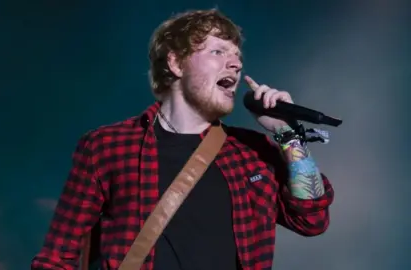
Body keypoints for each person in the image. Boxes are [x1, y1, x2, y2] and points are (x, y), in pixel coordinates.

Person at [31, 8, 334, 270]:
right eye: (218, 52)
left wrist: (288, 134)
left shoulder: (252, 152)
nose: (236, 64)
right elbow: (57, 257)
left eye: (237, 57)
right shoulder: (106, 146)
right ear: (176, 63)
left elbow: (311, 220)